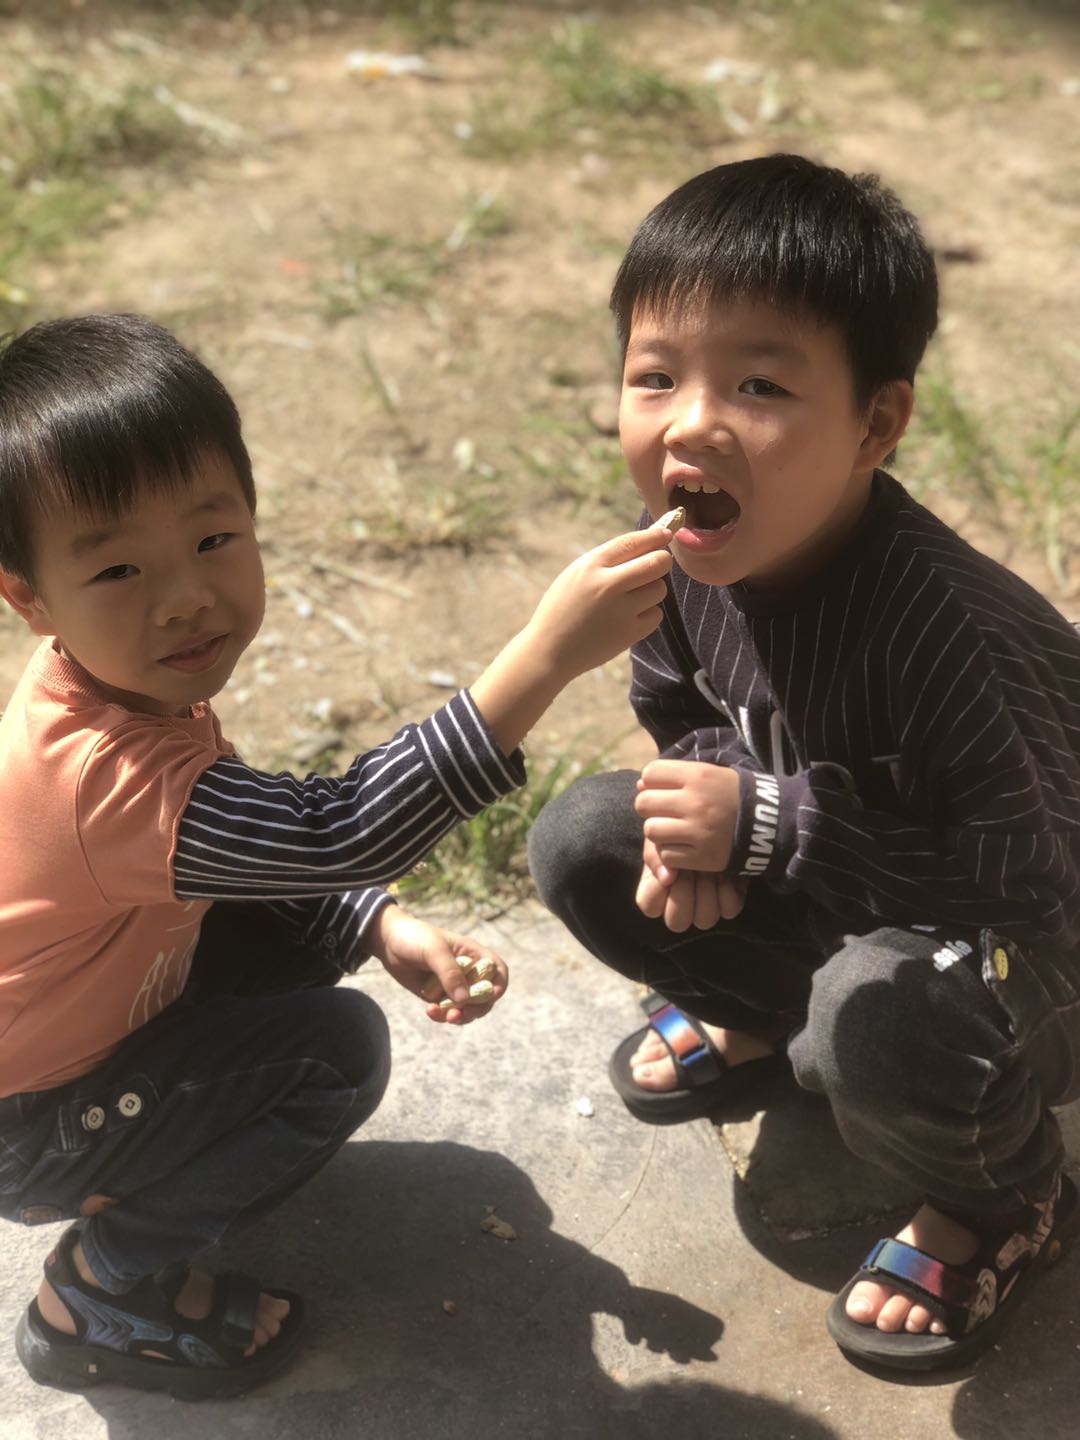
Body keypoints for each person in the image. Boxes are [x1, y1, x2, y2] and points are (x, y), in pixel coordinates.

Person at [0, 312, 675, 1399]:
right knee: (335, 1053)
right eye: (120, 568)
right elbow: (335, 831)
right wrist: (544, 657)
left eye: (213, 541)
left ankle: (152, 1164)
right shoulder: (102, 775)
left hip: (71, 1042)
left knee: (289, 920)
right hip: (28, 1121)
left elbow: (263, 851)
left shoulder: (106, 690)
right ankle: (99, 1288)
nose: (186, 597)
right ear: (29, 598)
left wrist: (377, 921)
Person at [528, 152, 1080, 1373]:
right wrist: (699, 828)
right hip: (853, 880)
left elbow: (1030, 883)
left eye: (761, 385)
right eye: (655, 376)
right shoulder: (680, 557)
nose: (691, 422)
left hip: (1033, 954)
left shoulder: (948, 632)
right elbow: (683, 710)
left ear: (876, 425)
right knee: (585, 840)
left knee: (876, 1015)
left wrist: (771, 827)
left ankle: (1006, 1199)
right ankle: (760, 1014)